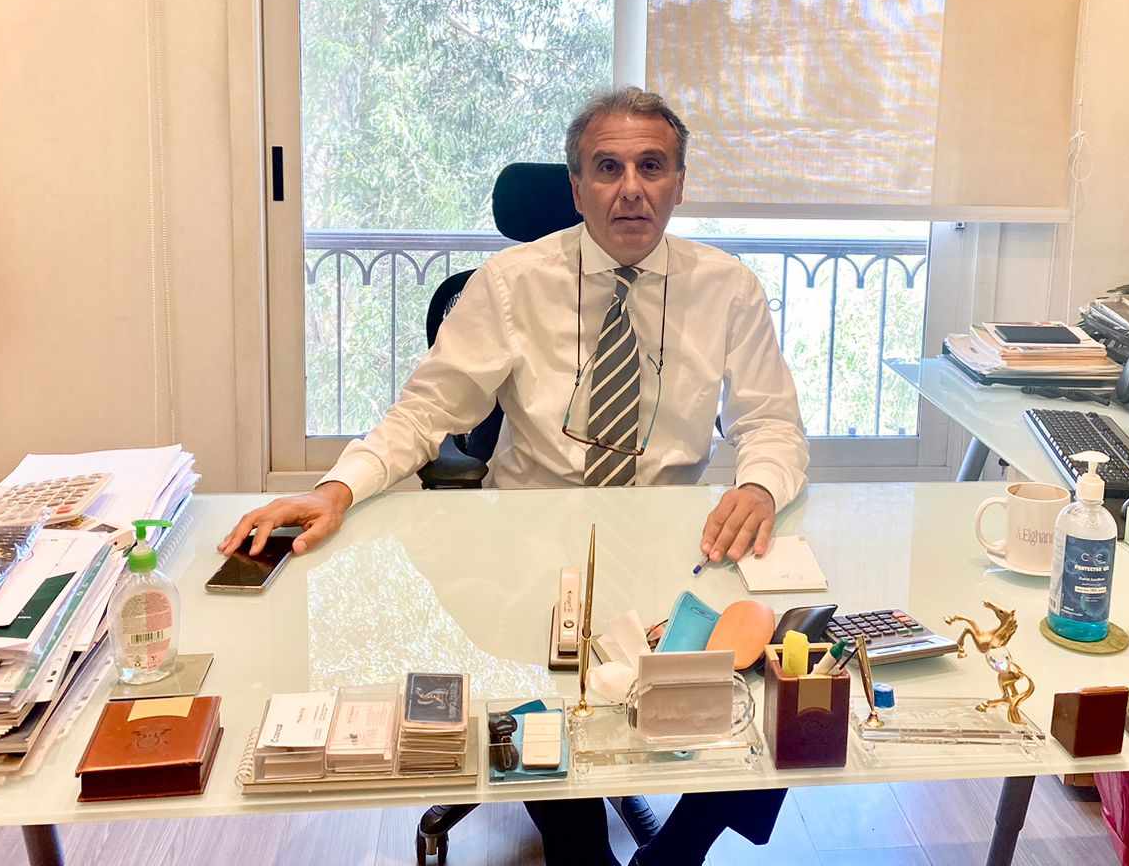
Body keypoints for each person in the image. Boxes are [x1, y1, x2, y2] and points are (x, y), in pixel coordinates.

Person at [220, 87, 805, 865]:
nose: (631, 187)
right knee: (542, 691)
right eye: (608, 168)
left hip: (666, 537)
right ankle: (577, 847)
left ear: (679, 183)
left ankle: (680, 850)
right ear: (578, 188)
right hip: (531, 536)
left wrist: (758, 485)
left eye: (652, 166)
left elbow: (772, 422)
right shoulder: (508, 283)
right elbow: (424, 413)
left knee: (783, 665)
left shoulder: (728, 288)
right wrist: (337, 488)